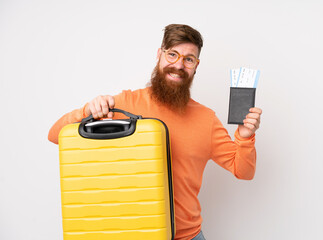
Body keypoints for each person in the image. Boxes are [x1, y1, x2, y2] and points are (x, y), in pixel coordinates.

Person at [48, 24, 262, 240]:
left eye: (189, 59)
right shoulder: (124, 104)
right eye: (172, 54)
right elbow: (55, 135)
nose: (179, 65)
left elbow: (243, 171)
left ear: (196, 66)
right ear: (159, 55)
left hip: (187, 236)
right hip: (133, 234)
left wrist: (244, 137)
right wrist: (87, 110)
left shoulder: (206, 119)